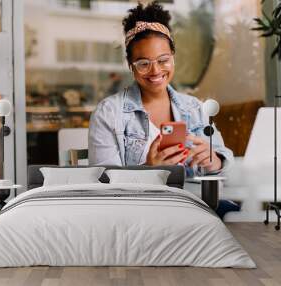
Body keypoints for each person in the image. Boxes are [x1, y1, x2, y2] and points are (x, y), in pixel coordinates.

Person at [88, 2, 238, 218]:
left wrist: (214, 160)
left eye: (163, 60)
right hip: (141, 213)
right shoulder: (109, 113)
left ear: (173, 56)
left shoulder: (193, 107)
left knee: (243, 220)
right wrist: (149, 170)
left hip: (196, 207)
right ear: (130, 65)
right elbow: (105, 184)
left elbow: (226, 168)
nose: (155, 70)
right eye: (143, 63)